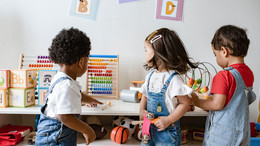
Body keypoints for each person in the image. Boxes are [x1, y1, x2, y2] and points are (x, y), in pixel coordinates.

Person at [36, 27, 103, 146]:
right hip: (55, 140)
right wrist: (87, 129)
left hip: (50, 136)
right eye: (88, 60)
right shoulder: (67, 85)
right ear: (81, 62)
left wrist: (90, 99)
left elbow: (75, 95)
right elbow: (65, 116)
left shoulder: (60, 79)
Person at [191, 25, 256, 146]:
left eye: (215, 54)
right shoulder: (248, 73)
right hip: (242, 133)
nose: (216, 58)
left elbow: (217, 104)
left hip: (223, 135)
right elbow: (234, 101)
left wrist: (196, 101)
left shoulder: (223, 75)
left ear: (224, 51)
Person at [139, 28, 198, 146]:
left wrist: (168, 120)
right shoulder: (150, 76)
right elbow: (145, 97)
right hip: (148, 128)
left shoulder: (174, 79)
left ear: (158, 51)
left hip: (167, 132)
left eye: (146, 50)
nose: (145, 53)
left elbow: (185, 104)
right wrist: (141, 111)